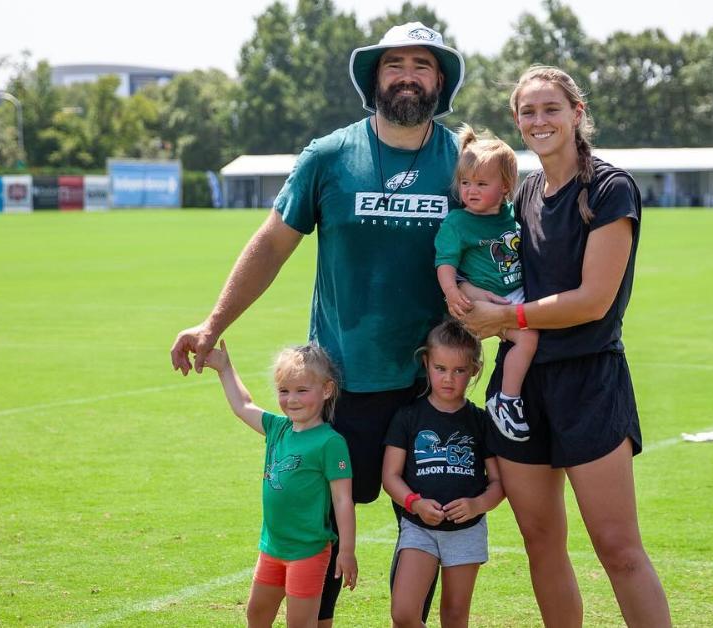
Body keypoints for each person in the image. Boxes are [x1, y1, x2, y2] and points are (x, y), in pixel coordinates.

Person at [170, 22, 464, 625]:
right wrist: (213, 321)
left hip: (430, 386)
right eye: (394, 65)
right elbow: (273, 244)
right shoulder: (329, 156)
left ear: (441, 81)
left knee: (428, 523)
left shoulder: (464, 161)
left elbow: (495, 249)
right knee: (321, 525)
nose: (407, 76)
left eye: (422, 65)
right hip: (342, 383)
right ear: (373, 79)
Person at [457, 66, 672, 627]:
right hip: (521, 386)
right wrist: (467, 300)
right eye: (527, 112)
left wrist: (504, 316)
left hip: (589, 381)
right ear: (517, 122)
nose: (539, 121)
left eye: (550, 108)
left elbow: (593, 301)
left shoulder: (609, 188)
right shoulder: (523, 193)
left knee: (618, 548)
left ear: (577, 113)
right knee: (541, 541)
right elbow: (497, 269)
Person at [202, 341, 357, 628]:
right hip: (271, 548)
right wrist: (224, 368)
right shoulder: (277, 428)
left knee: (300, 623)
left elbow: (343, 500)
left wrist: (346, 551)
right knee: (256, 616)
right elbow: (243, 405)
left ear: (326, 390)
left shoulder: (330, 442)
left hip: (307, 552)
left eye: (301, 390)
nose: (292, 399)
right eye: (284, 391)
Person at [382, 320, 504, 628]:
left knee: (454, 616)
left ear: (474, 370)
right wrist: (414, 503)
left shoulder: (479, 421)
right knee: (404, 614)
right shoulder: (408, 416)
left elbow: (499, 484)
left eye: (459, 370)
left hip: (466, 531)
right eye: (440, 368)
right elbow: (390, 476)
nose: (448, 379)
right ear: (426, 363)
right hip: (418, 528)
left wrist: (478, 505)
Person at [434, 125, 537, 442]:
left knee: (538, 330)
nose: (470, 191)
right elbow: (445, 263)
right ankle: (507, 399)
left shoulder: (511, 215)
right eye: (465, 183)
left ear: (506, 187)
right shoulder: (458, 222)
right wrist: (453, 292)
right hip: (481, 303)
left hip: (513, 292)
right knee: (528, 337)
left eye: (481, 183)